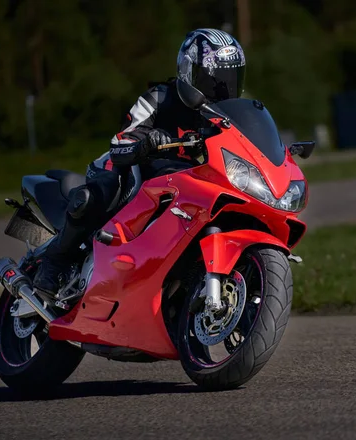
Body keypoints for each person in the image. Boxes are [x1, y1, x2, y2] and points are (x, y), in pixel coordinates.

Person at [33, 28, 247, 296]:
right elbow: (120, 141)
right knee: (100, 193)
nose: (222, 90)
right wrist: (145, 143)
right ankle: (54, 260)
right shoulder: (160, 97)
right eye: (214, 81)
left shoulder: (226, 117)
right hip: (130, 170)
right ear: (189, 73)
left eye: (230, 80)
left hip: (180, 183)